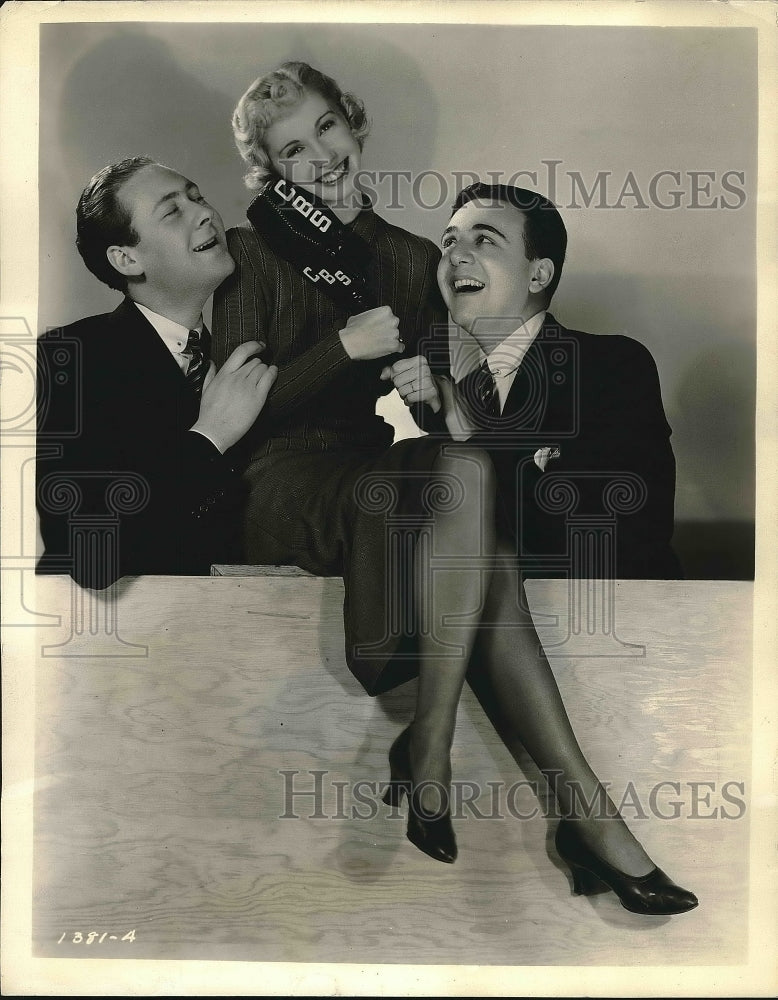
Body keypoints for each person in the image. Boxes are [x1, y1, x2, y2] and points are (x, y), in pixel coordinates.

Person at [214, 64, 696, 914]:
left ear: (353, 124)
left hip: (385, 479)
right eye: (292, 150)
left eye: (327, 128)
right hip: (285, 476)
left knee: (469, 485)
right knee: (472, 504)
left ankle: (439, 752)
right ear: (270, 171)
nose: (320, 156)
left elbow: (446, 424)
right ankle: (475, 766)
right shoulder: (249, 253)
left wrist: (433, 406)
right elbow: (233, 413)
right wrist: (343, 352)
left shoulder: (414, 259)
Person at [36, 157, 277, 590]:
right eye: (173, 211)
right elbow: (88, 553)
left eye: (196, 196)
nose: (206, 213)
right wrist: (210, 437)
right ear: (126, 259)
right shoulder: (68, 358)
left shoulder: (248, 350)